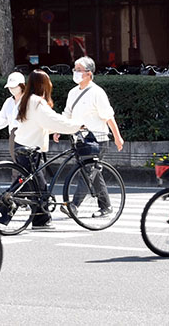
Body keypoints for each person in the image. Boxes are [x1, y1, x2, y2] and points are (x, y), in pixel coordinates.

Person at [54, 56, 124, 218]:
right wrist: (59, 129)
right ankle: (106, 206)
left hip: (97, 139)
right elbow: (67, 114)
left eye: (79, 70)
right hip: (80, 139)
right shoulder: (72, 93)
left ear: (89, 73)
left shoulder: (97, 93)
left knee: (87, 171)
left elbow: (108, 116)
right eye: (75, 69)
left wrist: (117, 136)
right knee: (93, 173)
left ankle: (74, 205)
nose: (75, 73)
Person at [15, 70, 83, 228]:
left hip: (24, 145)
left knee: (32, 185)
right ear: (43, 85)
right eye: (48, 82)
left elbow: (43, 123)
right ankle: (0, 213)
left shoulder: (28, 99)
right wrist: (77, 125)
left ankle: (40, 219)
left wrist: (61, 127)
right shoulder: (38, 103)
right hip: (30, 148)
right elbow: (54, 121)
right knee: (39, 187)